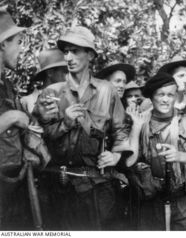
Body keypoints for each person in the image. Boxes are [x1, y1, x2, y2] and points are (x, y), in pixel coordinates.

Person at [35, 26, 131, 230]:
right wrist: (66, 123)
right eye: (66, 51)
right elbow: (39, 137)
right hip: (57, 187)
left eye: (75, 51)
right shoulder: (51, 93)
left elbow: (121, 130)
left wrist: (115, 155)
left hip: (95, 185)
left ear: (90, 54)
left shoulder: (106, 91)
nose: (69, 57)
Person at [126, 72, 186, 230]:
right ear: (151, 97)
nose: (165, 99)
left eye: (170, 95)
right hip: (150, 203)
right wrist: (136, 127)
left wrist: (180, 156)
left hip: (184, 202)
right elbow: (129, 161)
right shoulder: (139, 122)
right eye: (160, 94)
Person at [0, 10, 35, 230]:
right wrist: (11, 117)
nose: (20, 49)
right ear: (3, 44)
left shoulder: (7, 85)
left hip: (10, 182)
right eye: (18, 43)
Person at [20, 48, 67, 114]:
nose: (68, 76)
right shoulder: (27, 101)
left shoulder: (68, 97)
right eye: (65, 71)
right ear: (50, 73)